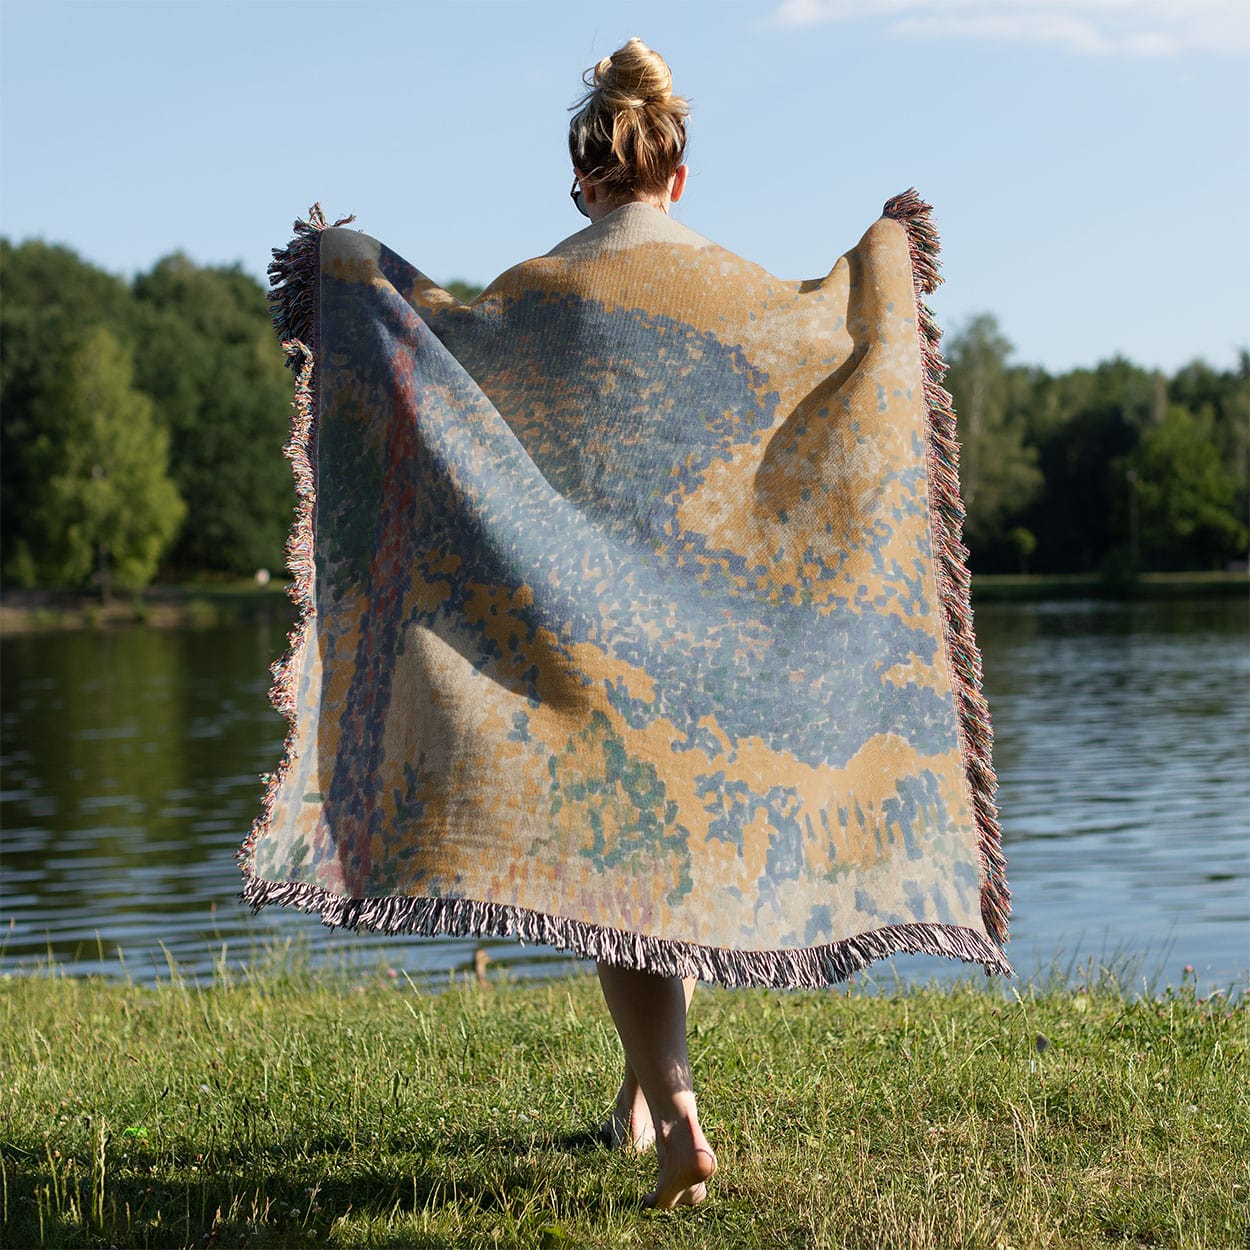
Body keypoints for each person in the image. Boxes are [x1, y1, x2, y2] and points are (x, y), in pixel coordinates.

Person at [566, 37, 716, 1211]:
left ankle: (677, 1118)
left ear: (584, 179)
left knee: (614, 887)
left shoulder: (541, 288)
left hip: (584, 620)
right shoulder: (724, 282)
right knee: (658, 869)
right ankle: (632, 1099)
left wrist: (352, 280)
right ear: (675, 174)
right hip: (706, 623)